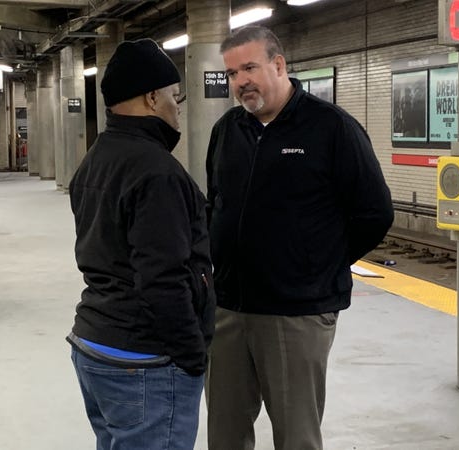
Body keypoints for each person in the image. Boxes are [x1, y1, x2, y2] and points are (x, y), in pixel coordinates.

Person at [205, 25, 394, 450]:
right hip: (229, 308)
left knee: (296, 438)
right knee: (224, 434)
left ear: (279, 64)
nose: (241, 81)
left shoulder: (331, 128)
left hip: (296, 312)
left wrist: (319, 263)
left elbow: (375, 212)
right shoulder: (228, 130)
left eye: (249, 68)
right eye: (233, 73)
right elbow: (215, 202)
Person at [66, 38, 215, 450]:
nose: (177, 104)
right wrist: (191, 355)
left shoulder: (97, 158)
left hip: (95, 343)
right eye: (173, 95)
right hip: (144, 358)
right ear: (151, 97)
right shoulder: (157, 171)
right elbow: (162, 278)